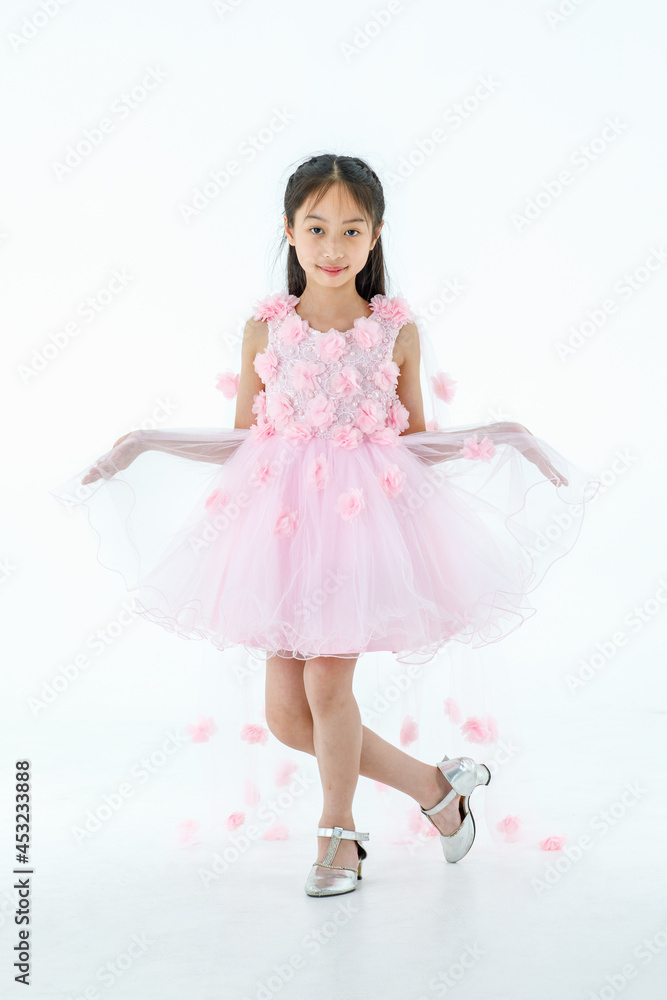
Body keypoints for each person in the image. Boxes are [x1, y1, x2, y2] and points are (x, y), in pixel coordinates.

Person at [49, 153, 600, 898]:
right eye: (315, 229)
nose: (333, 248)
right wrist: (144, 442)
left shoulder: (393, 333)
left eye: (350, 230)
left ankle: (338, 840)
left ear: (375, 237)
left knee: (328, 687)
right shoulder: (264, 330)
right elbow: (245, 441)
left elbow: (412, 448)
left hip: (357, 531)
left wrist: (503, 433)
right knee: (285, 716)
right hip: (275, 537)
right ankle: (438, 791)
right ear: (288, 233)